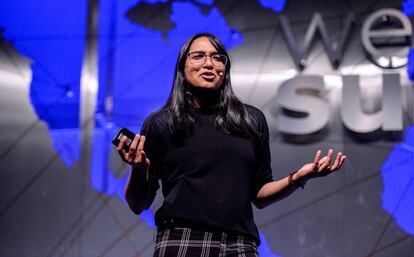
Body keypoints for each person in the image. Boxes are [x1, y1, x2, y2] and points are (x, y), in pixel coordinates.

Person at [116, 32, 346, 257]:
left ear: (225, 71)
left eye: (217, 57)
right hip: (183, 241)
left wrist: (299, 177)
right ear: (182, 69)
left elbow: (260, 194)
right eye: (198, 56)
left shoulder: (251, 121)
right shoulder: (161, 123)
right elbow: (138, 204)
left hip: (241, 245)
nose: (209, 63)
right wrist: (139, 169)